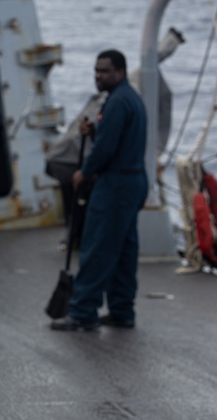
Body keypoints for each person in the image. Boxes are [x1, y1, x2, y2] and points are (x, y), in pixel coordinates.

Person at [50, 50, 148, 332]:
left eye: (104, 71)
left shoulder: (117, 102)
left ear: (120, 71)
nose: (98, 76)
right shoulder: (130, 99)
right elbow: (115, 137)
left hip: (115, 184)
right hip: (134, 182)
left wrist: (84, 172)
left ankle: (82, 312)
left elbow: (106, 149)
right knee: (125, 249)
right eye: (96, 71)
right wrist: (94, 130)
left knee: (98, 247)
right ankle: (122, 309)